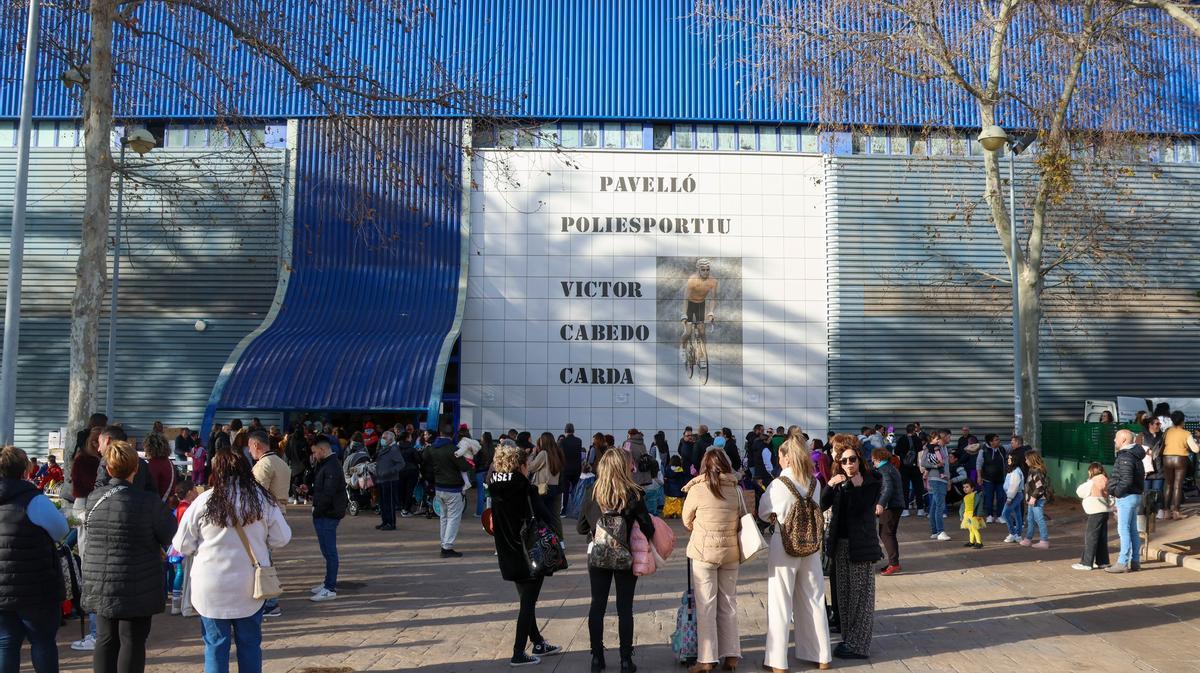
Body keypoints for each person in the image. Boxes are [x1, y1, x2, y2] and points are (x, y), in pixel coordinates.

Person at [173, 451, 291, 673]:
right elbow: (282, 538)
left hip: (210, 587)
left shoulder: (204, 500)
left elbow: (182, 544)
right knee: (249, 644)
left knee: (215, 647)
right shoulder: (263, 500)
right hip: (250, 587)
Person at [82, 439, 177, 673]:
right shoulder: (148, 502)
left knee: (105, 639)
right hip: (138, 580)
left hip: (102, 579)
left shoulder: (95, 498)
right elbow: (168, 533)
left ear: (108, 468)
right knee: (132, 640)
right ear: (136, 468)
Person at [578, 448, 655, 673]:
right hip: (624, 556)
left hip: (598, 556)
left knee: (597, 605)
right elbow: (648, 528)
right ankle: (625, 660)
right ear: (624, 467)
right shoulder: (633, 493)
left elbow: (581, 527)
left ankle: (596, 658)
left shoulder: (592, 491)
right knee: (624, 608)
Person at [759, 433, 831, 673]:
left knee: (781, 602)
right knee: (814, 598)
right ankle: (822, 655)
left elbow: (762, 512)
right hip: (811, 546)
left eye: (780, 455)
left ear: (787, 457)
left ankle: (778, 661)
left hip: (784, 544)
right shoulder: (814, 482)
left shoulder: (779, 484)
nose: (779, 458)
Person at [487, 442, 562, 667]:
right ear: (519, 464)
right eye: (526, 462)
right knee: (527, 604)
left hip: (507, 550)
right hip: (529, 552)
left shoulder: (493, 484)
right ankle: (518, 652)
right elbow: (546, 516)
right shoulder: (525, 489)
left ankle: (538, 641)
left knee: (525, 600)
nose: (529, 465)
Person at [0, 445, 69, 673]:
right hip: (36, 587)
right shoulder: (33, 500)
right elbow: (60, 529)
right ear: (25, 470)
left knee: (6, 643)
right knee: (42, 642)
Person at [821, 434, 881, 660]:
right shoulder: (839, 480)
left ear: (860, 460)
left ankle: (859, 645)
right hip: (840, 545)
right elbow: (822, 504)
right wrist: (830, 484)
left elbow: (861, 510)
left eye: (852, 460)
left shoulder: (871, 479)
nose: (848, 464)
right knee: (844, 597)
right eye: (844, 460)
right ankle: (848, 639)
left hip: (861, 547)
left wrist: (856, 488)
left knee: (861, 598)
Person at [682, 449, 742, 673]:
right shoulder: (735, 489)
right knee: (729, 604)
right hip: (730, 554)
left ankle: (706, 659)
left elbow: (687, 520)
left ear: (704, 466)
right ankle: (732, 656)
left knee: (706, 606)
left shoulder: (697, 489)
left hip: (704, 553)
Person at [424, 424, 471, 557]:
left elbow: (424, 461)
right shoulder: (453, 449)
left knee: (443, 517)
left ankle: (444, 543)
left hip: (439, 487)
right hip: (453, 488)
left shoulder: (432, 448)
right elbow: (465, 466)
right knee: (453, 518)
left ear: (440, 433)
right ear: (453, 435)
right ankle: (447, 547)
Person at [309, 437, 348, 601]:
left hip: (328, 514)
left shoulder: (331, 466)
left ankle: (329, 587)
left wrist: (317, 510)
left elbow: (328, 493)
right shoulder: (326, 464)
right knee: (327, 550)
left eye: (315, 452)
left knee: (330, 551)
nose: (314, 455)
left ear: (322, 450)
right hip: (325, 512)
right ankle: (327, 583)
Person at [1106, 430, 1145, 573]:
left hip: (1126, 497)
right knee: (1133, 530)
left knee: (1123, 530)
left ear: (1123, 440)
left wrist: (1116, 492)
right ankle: (1135, 561)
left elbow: (1126, 480)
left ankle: (1122, 562)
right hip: (1134, 496)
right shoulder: (1135, 455)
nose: (1114, 441)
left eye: (1116, 438)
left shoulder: (1126, 457)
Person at [1073, 462, 1112, 571]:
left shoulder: (1092, 482)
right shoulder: (1106, 480)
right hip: (1104, 511)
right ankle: (1103, 561)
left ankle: (1086, 563)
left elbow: (1079, 492)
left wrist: (1088, 481)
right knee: (1101, 538)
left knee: (1091, 537)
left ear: (1091, 471)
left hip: (1095, 512)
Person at [680, 258, 718, 366]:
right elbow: (685, 298)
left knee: (702, 332)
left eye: (707, 269)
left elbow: (713, 299)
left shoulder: (713, 281)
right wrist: (684, 314)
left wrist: (711, 312)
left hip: (701, 304)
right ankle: (682, 348)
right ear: (698, 270)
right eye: (703, 270)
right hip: (690, 305)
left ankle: (702, 354)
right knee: (688, 332)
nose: (706, 272)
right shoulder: (692, 280)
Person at [1160, 411, 1198, 519]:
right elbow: (1196, 449)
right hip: (1180, 459)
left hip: (1166, 458)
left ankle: (1166, 512)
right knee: (1177, 485)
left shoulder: (1167, 432)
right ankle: (1176, 512)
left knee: (1168, 485)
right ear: (1182, 420)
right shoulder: (1186, 433)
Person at [872, 447, 904, 574]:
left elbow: (888, 488)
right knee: (890, 533)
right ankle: (894, 562)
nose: (873, 463)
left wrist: (880, 503)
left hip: (890, 506)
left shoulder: (883, 469)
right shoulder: (891, 467)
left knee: (885, 534)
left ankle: (894, 564)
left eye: (873, 460)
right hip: (897, 505)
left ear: (878, 458)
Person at [530, 432, 566, 539]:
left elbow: (531, 467)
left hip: (542, 488)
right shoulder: (558, 453)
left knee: (541, 515)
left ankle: (543, 538)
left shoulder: (543, 453)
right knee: (555, 516)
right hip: (555, 487)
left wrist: (533, 454)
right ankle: (560, 540)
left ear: (543, 441)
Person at [922, 429, 952, 541]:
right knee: (940, 505)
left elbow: (946, 466)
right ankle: (940, 531)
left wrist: (948, 480)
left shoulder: (944, 448)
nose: (950, 439)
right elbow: (924, 462)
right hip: (936, 479)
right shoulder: (932, 447)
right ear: (943, 436)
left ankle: (935, 531)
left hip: (942, 479)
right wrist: (935, 466)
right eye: (949, 436)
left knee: (935, 505)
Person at [1019, 451, 1051, 549]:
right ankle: (1028, 538)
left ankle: (1044, 540)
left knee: (1039, 519)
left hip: (1037, 500)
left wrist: (1033, 497)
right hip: (1032, 500)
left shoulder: (1037, 471)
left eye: (1027, 459)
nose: (1025, 461)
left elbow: (1039, 487)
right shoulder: (1032, 470)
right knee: (1030, 519)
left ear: (1032, 459)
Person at [374, 431, 404, 531]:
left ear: (391, 439)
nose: (382, 440)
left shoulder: (394, 449)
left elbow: (401, 464)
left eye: (384, 438)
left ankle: (391, 523)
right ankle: (385, 521)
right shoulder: (385, 448)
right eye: (382, 437)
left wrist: (389, 471)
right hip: (381, 479)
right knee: (382, 502)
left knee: (389, 502)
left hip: (390, 480)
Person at [1136, 416, 1165, 520]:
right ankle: (1144, 511)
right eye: (1157, 424)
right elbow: (1136, 450)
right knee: (1146, 491)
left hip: (1159, 467)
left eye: (1159, 424)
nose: (1159, 426)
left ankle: (1159, 510)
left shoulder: (1162, 436)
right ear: (1150, 425)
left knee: (1158, 490)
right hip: (1146, 468)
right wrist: (1147, 452)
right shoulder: (1141, 436)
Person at [976, 434, 1007, 523]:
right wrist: (979, 476)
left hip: (1000, 479)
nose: (998, 441)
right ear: (990, 442)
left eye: (998, 439)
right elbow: (979, 464)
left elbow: (1012, 446)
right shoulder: (983, 451)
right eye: (996, 440)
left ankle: (999, 516)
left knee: (1001, 497)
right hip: (987, 479)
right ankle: (989, 515)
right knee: (988, 498)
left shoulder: (1002, 449)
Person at [894, 424, 924, 517]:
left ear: (906, 430)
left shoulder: (901, 439)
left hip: (904, 467)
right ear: (914, 430)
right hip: (916, 467)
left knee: (904, 489)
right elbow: (920, 451)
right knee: (918, 488)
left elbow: (896, 452)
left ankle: (905, 510)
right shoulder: (918, 439)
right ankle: (920, 510)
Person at [1000, 453, 1025, 543]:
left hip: (1014, 495)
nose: (1008, 460)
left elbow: (1014, 486)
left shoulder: (1016, 472)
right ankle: (1018, 535)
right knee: (1017, 515)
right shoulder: (1014, 470)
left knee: (1004, 514)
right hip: (1015, 495)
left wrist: (1009, 498)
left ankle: (1013, 533)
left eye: (1010, 458)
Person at [143, 432, 175, 502]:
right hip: (167, 506)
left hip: (157, 506)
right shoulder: (169, 462)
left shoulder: (153, 464)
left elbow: (151, 490)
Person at [560, 424, 584, 515]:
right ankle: (577, 510)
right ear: (573, 430)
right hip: (576, 468)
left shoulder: (562, 442)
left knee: (565, 491)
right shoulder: (579, 441)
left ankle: (564, 511)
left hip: (565, 469)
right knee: (576, 490)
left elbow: (560, 456)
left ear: (565, 431)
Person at [396, 432, 421, 517]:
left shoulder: (397, 448)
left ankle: (403, 507)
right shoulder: (412, 449)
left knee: (402, 490)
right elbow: (418, 460)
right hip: (412, 471)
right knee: (409, 491)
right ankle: (406, 509)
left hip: (400, 471)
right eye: (410, 437)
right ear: (407, 438)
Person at [958, 481, 985, 549]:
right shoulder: (965, 497)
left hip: (973, 515)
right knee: (970, 529)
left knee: (974, 528)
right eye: (964, 487)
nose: (965, 488)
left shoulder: (975, 496)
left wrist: (979, 514)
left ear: (972, 488)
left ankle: (979, 542)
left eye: (967, 487)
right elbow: (962, 507)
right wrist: (962, 515)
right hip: (967, 515)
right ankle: (971, 541)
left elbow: (979, 506)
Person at [473, 432, 494, 517]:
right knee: (490, 493)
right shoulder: (493, 449)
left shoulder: (480, 449)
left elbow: (476, 461)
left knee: (481, 493)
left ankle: (479, 512)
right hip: (490, 472)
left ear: (484, 439)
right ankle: (490, 511)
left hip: (480, 472)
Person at [454, 426, 481, 492]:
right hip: (469, 460)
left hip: (465, 459)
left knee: (462, 472)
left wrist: (456, 453)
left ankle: (466, 483)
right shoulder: (470, 441)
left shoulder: (463, 441)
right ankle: (466, 485)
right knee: (464, 473)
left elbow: (463, 449)